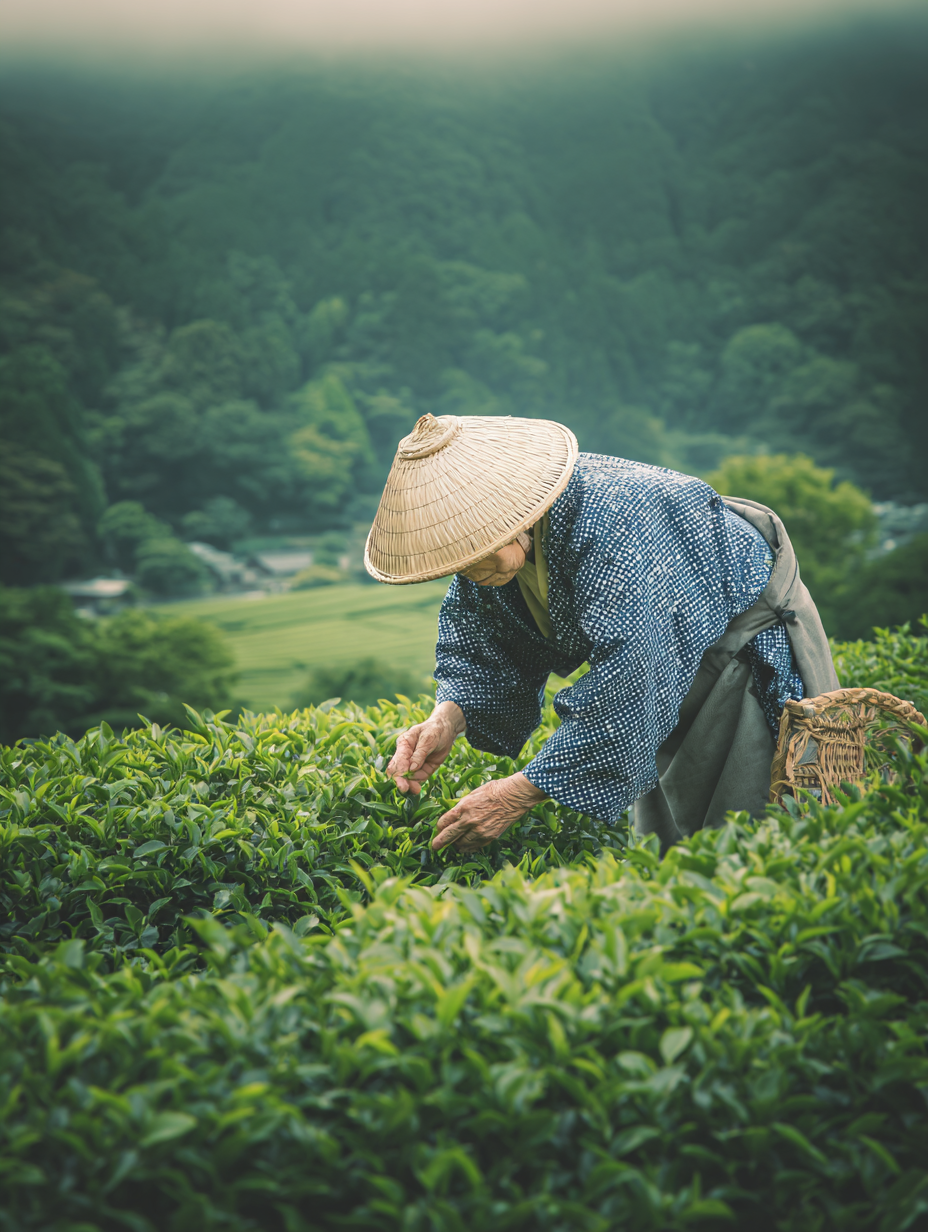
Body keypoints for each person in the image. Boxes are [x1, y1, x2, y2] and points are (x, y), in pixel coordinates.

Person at [364, 413, 838, 856]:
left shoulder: (610, 524)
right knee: (666, 842)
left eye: (474, 554)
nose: (466, 571)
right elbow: (485, 646)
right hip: (659, 665)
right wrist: (447, 716)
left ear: (514, 519)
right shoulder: (489, 558)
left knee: (752, 834)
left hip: (741, 652)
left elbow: (631, 681)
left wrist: (515, 794)